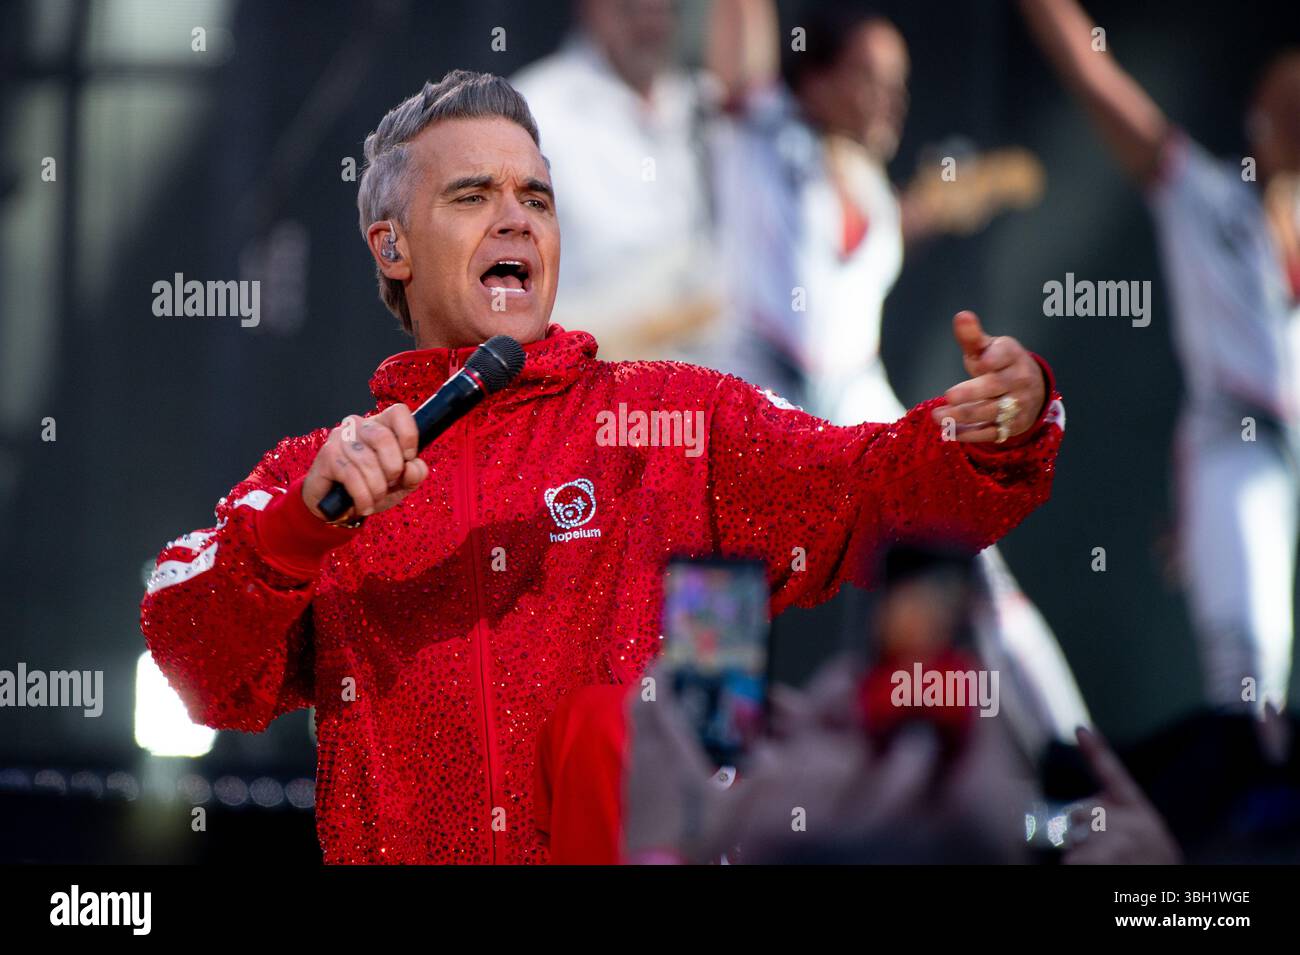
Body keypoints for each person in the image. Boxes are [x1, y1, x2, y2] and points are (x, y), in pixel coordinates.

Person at [139, 69, 1065, 865]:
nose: (516, 218)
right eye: (473, 196)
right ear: (392, 246)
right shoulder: (325, 478)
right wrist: (302, 526)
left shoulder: (669, 417)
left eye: (535, 199)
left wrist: (989, 428)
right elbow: (196, 661)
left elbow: (868, 485)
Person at [706, 0, 1089, 756]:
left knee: (972, 564)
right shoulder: (756, 127)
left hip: (854, 397)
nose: (890, 98)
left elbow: (866, 247)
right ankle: (698, 807)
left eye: (900, 82)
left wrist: (962, 196)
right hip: (753, 394)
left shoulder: (871, 188)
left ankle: (1073, 765)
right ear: (809, 79)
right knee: (714, 599)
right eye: (868, 77)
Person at [1020, 0, 1300, 712]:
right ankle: (1239, 811)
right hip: (1236, 447)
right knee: (1248, 681)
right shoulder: (1205, 198)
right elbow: (1094, 76)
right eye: (1282, 101)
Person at [510, 0, 722, 362]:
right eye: (631, 7)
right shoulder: (533, 109)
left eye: (664, 7)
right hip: (587, 382)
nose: (651, 18)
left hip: (709, 381)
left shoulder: (706, 103)